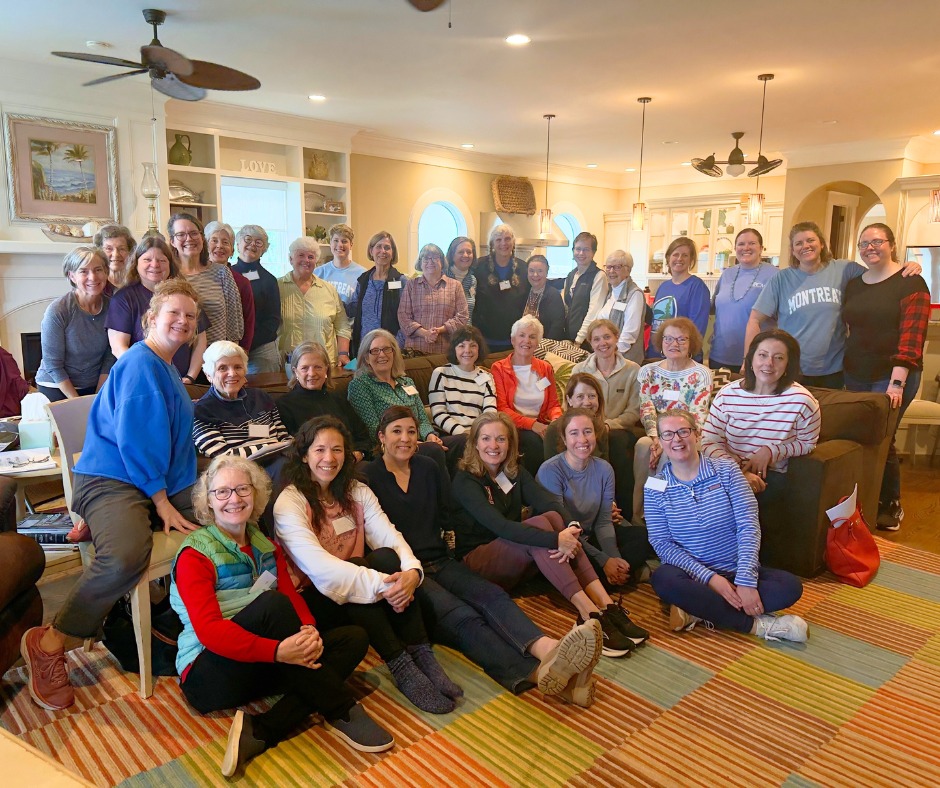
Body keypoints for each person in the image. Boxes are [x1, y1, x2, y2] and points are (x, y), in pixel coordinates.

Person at [21, 279, 204, 711]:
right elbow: (138, 443)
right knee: (125, 554)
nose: (182, 321)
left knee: (232, 510)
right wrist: (159, 502)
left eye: (190, 316)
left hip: (155, 478)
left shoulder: (169, 368)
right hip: (113, 478)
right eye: (173, 313)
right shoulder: (141, 365)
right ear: (151, 319)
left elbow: (172, 442)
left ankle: (210, 623)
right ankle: (50, 644)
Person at [365, 406, 603, 707]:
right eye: (397, 431)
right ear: (381, 437)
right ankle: (538, 674)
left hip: (441, 559)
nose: (405, 438)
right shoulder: (369, 476)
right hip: (408, 572)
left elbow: (448, 515)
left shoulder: (427, 466)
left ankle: (550, 650)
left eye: (411, 431)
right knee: (465, 619)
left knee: (492, 596)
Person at [171, 456, 393, 777]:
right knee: (272, 606)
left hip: (257, 662)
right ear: (208, 501)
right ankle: (343, 709)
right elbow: (210, 632)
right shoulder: (196, 554)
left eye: (242, 489)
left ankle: (262, 730)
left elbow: (292, 596)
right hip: (208, 673)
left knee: (353, 639)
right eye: (222, 492)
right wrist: (277, 651)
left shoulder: (265, 544)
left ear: (256, 494)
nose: (234, 499)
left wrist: (308, 631)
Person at [274, 416, 461, 714]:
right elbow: (322, 570)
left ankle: (422, 654)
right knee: (359, 568)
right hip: (312, 601)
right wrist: (387, 588)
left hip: (362, 590)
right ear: (305, 454)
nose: (329, 458)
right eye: (320, 450)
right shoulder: (290, 502)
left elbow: (390, 536)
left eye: (337, 450)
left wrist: (413, 572)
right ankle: (402, 666)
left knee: (386, 557)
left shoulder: (356, 491)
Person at [452, 412, 645, 657]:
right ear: (475, 444)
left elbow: (547, 502)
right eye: (486, 439)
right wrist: (557, 539)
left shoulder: (513, 472)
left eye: (501, 439)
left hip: (512, 551)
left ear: (510, 443)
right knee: (544, 525)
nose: (493, 446)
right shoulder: (465, 481)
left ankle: (606, 606)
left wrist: (570, 525)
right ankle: (588, 614)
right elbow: (500, 527)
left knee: (552, 518)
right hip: (478, 561)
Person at [644, 411, 808, 642]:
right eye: (668, 434)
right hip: (691, 575)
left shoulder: (726, 470)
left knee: (790, 587)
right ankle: (756, 626)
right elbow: (662, 543)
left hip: (735, 569)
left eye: (683, 431)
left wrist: (745, 581)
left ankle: (696, 610)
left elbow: (748, 524)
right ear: (660, 441)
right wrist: (712, 580)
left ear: (697, 434)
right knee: (662, 578)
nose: (677, 440)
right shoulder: (654, 486)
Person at [746, 221, 921, 388]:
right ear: (792, 250)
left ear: (822, 244)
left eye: (810, 240)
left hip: (835, 370)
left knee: (830, 418)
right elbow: (755, 319)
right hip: (792, 368)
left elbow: (881, 274)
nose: (805, 246)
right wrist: (748, 361)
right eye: (798, 243)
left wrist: (906, 266)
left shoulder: (845, 269)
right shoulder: (781, 279)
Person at [843, 223, 931, 530]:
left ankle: (890, 503)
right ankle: (863, 498)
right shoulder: (854, 283)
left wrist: (897, 381)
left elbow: (912, 336)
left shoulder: (912, 282)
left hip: (893, 374)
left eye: (877, 241)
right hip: (855, 372)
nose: (870, 248)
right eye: (864, 243)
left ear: (891, 244)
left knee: (883, 438)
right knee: (861, 438)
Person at [702, 330, 820, 510]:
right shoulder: (727, 394)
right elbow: (708, 441)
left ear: (789, 364)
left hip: (770, 476)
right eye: (762, 355)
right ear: (751, 359)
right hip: (726, 468)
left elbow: (808, 443)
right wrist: (736, 472)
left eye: (779, 358)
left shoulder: (802, 400)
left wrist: (772, 451)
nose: (769, 363)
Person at [538, 409, 653, 591]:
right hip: (564, 543)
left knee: (643, 535)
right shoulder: (550, 471)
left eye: (587, 431)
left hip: (591, 537)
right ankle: (625, 575)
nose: (582, 439)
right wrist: (604, 560)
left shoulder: (604, 469)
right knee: (568, 565)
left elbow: (603, 522)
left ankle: (618, 573)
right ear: (564, 437)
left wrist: (615, 559)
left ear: (595, 434)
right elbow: (562, 528)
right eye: (574, 433)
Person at [633, 318, 712, 523]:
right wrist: (657, 437)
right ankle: (638, 512)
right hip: (656, 434)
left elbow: (698, 414)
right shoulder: (648, 372)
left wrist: (668, 440)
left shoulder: (701, 374)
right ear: (661, 342)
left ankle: (661, 512)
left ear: (691, 343)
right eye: (668, 338)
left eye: (681, 339)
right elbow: (646, 408)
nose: (674, 344)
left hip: (687, 435)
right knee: (643, 446)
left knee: (670, 453)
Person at [106, 236, 208, 382]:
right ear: (136, 264)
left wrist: (190, 377)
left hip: (184, 381)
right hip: (141, 378)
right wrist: (148, 374)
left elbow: (200, 341)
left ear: (170, 264)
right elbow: (118, 347)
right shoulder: (123, 299)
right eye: (147, 260)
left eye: (162, 260)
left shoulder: (186, 294)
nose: (155, 265)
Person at [346, 329, 450, 467]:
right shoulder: (360, 386)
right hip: (389, 447)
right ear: (366, 358)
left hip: (420, 441)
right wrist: (412, 442)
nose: (382, 355)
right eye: (375, 351)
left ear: (394, 353)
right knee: (433, 450)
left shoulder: (406, 382)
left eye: (386, 349)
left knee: (462, 442)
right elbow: (373, 429)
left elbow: (422, 419)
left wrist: (430, 436)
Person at [544, 371, 639, 518]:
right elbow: (551, 478)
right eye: (580, 396)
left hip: (600, 507)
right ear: (569, 400)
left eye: (592, 396)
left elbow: (604, 474)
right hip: (567, 510)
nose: (587, 402)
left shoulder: (600, 428)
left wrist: (610, 505)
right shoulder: (554, 430)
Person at [35, 246, 114, 401]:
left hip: (95, 386)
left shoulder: (113, 307)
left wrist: (97, 397)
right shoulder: (58, 310)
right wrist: (78, 403)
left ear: (106, 272)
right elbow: (53, 364)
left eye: (98, 270)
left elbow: (109, 357)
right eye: (84, 271)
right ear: (72, 276)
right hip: (57, 385)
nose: (93, 277)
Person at [490, 315, 562, 475]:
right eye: (522, 335)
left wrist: (556, 421)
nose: (526, 341)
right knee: (534, 442)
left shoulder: (545, 368)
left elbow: (553, 405)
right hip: (513, 426)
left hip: (542, 425)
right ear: (513, 340)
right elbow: (502, 409)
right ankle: (538, 487)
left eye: (532, 337)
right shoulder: (499, 368)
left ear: (538, 342)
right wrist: (532, 425)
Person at [192, 341, 290, 459]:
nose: (232, 374)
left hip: (282, 462)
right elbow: (224, 456)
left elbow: (283, 436)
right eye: (223, 368)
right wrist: (271, 448)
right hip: (243, 472)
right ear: (209, 375)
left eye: (238, 367)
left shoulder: (262, 397)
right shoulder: (202, 411)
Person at [277, 342, 371, 461]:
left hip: (352, 463)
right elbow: (291, 448)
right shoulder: (284, 405)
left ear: (326, 369)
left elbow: (363, 436)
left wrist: (358, 454)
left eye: (318, 367)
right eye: (305, 368)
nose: (312, 373)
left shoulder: (339, 400)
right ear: (295, 371)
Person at [169, 212, 244, 346]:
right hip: (178, 357)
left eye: (194, 233)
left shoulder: (222, 273)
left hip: (216, 358)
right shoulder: (168, 275)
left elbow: (234, 325)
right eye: (181, 235)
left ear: (202, 237)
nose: (189, 239)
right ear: (172, 241)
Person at [277, 237, 351, 368]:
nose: (306, 260)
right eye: (301, 255)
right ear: (290, 259)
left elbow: (342, 326)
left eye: (311, 257)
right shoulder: (277, 287)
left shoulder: (329, 290)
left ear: (316, 261)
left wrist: (343, 354)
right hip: (289, 366)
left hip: (324, 366)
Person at [708, 229, 775, 371]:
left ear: (761, 248)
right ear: (735, 249)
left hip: (757, 359)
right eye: (741, 244)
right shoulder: (727, 274)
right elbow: (713, 307)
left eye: (752, 243)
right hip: (719, 355)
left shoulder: (774, 275)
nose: (746, 248)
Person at [397, 243, 469, 355]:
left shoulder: (455, 286)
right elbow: (403, 316)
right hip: (415, 351)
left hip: (445, 350)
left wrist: (439, 330)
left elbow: (462, 316)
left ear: (442, 261)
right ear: (420, 263)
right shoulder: (411, 285)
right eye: (425, 258)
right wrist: (424, 333)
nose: (430, 262)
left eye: (435, 258)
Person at [647, 237, 710, 361]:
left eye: (685, 255)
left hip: (682, 358)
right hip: (656, 356)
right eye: (675, 254)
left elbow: (696, 330)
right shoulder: (663, 287)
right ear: (668, 258)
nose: (679, 259)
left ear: (691, 259)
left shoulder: (697, 287)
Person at [428, 325, 497, 437]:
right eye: (461, 346)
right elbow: (438, 413)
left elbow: (490, 412)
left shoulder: (487, 378)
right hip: (448, 434)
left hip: (478, 434)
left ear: (479, 349)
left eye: (473, 346)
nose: (467, 351)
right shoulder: (441, 373)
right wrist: (463, 433)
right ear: (454, 349)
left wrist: (479, 434)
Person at [231, 224, 281, 374]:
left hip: (261, 350)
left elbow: (273, 320)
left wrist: (247, 345)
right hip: (231, 347)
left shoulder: (269, 280)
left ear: (264, 249)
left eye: (258, 242)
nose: (252, 244)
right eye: (248, 239)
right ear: (238, 244)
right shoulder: (226, 274)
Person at [471, 223, 530, 351]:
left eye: (507, 239)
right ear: (492, 244)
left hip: (515, 340)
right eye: (498, 239)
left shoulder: (524, 268)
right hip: (484, 339)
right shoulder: (479, 267)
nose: (504, 243)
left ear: (513, 242)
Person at [351, 231, 407, 355]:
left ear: (393, 253)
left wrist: (397, 345)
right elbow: (354, 308)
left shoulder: (400, 281)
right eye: (378, 247)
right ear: (371, 251)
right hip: (364, 348)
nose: (383, 251)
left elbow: (407, 317)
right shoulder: (363, 280)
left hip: (390, 349)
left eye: (387, 247)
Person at [205, 220, 255, 351]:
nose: (219, 246)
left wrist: (243, 351)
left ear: (232, 250)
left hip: (230, 349)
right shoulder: (198, 278)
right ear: (205, 246)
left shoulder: (242, 282)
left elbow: (248, 321)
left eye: (225, 242)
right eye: (214, 241)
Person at [591, 250, 646, 365]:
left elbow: (629, 334)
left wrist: (612, 356)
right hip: (607, 356)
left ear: (628, 270)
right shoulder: (612, 292)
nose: (611, 271)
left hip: (624, 361)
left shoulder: (634, 294)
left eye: (617, 267)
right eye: (609, 267)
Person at [562, 232, 608, 346]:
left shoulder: (599, 276)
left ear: (593, 252)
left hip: (587, 339)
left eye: (586, 249)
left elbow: (594, 311)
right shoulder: (571, 275)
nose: (581, 253)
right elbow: (566, 307)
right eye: (578, 249)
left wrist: (579, 339)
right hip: (569, 337)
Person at [313, 223, 365, 317]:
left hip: (350, 329)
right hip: (324, 328)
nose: (340, 245)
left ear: (351, 245)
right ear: (330, 243)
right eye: (336, 240)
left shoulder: (362, 274)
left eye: (344, 241)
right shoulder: (318, 273)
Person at [523, 254, 566, 340]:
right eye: (531, 271)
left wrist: (543, 347)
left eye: (540, 271)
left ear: (546, 273)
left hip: (545, 346)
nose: (535, 275)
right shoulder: (523, 292)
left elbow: (557, 326)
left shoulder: (553, 295)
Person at [445, 236, 478, 325]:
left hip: (466, 335)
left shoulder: (473, 280)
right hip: (445, 335)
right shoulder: (443, 277)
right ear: (452, 255)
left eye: (469, 252)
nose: (465, 255)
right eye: (460, 252)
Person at [93, 224, 135, 292]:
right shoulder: (94, 284)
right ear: (99, 252)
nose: (115, 254)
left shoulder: (137, 283)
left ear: (129, 252)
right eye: (109, 248)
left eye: (122, 249)